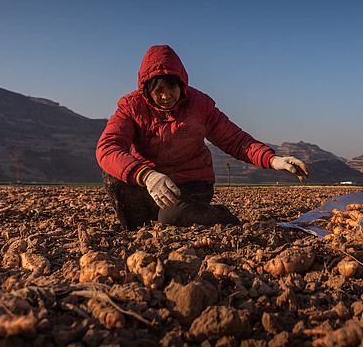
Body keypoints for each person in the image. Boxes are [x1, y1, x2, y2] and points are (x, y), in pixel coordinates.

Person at [96, 44, 309, 230]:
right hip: (152, 183)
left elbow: (236, 141)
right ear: (146, 89)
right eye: (158, 90)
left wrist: (273, 160)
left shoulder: (200, 106)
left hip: (191, 185)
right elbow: (108, 148)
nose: (166, 95)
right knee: (114, 175)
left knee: (173, 216)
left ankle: (220, 217)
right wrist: (147, 175)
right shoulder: (131, 107)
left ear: (182, 84)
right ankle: (137, 233)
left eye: (172, 87)